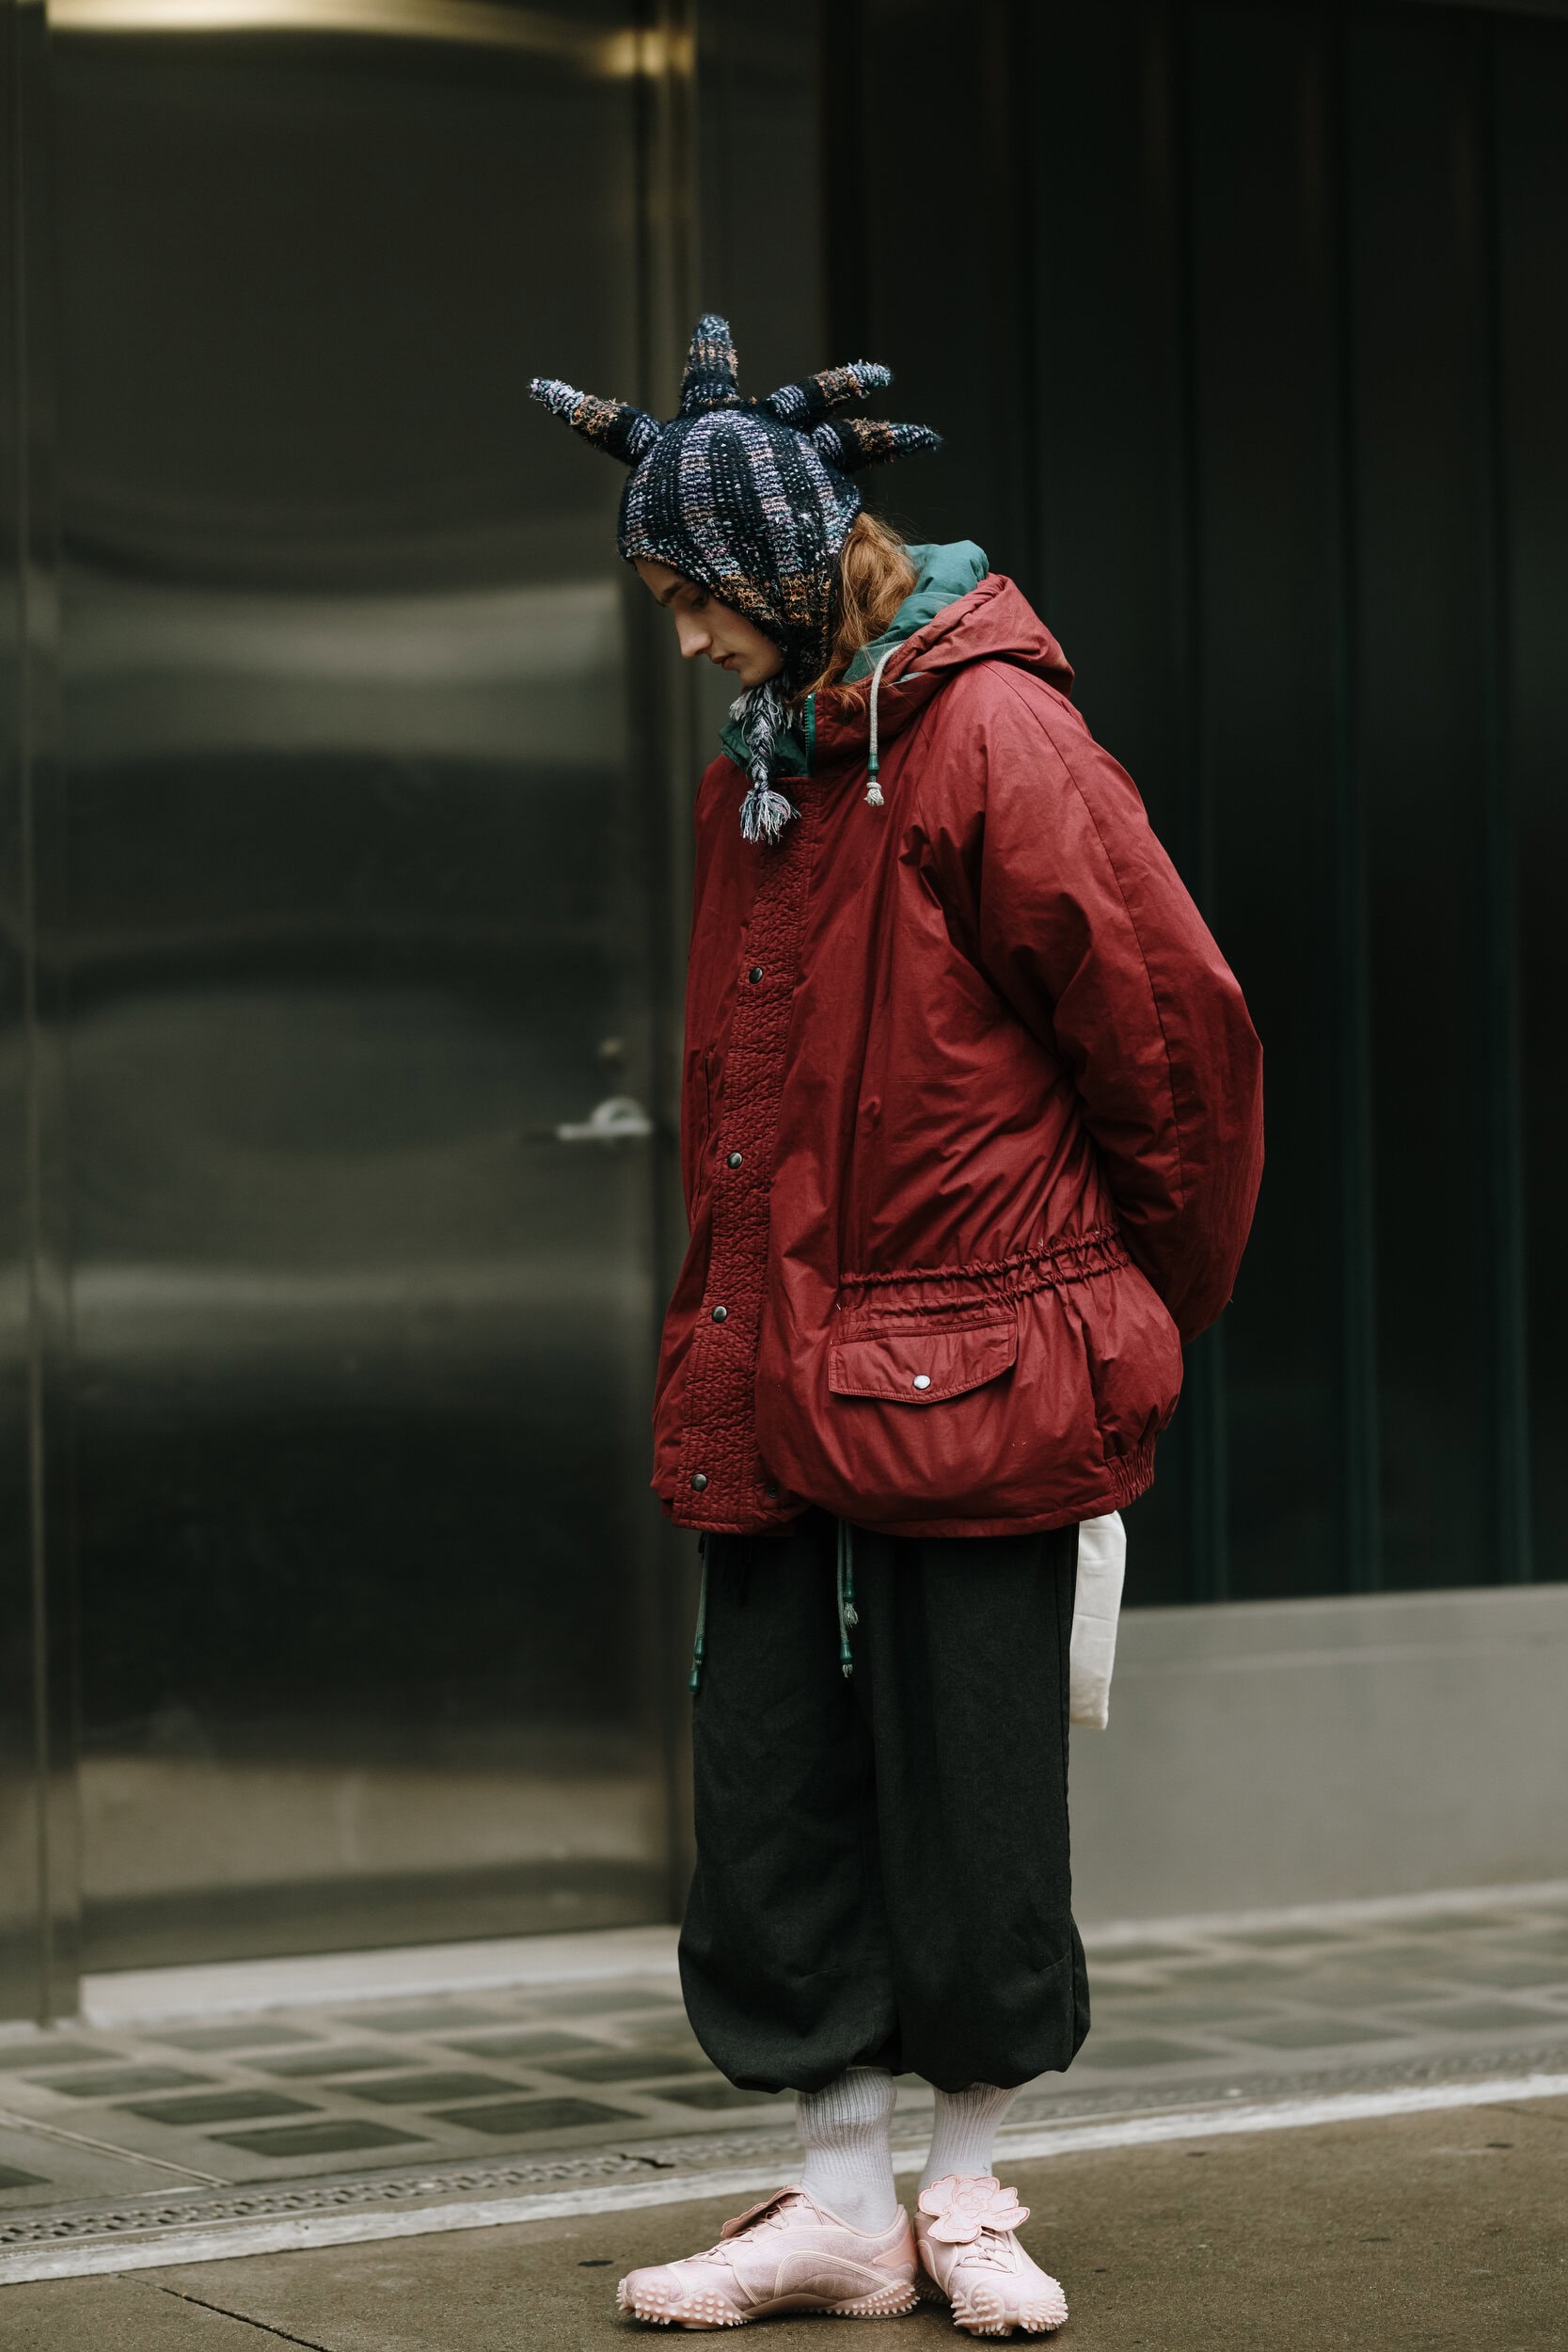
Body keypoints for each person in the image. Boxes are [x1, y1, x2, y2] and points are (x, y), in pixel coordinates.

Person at [530, 318, 1263, 2336]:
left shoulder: (995, 738)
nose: (685, 639)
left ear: (779, 571)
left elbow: (1174, 1043)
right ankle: (841, 2203)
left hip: (982, 1357)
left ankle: (965, 2191)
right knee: (779, 1785)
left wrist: (1130, 1307)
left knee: (975, 1789)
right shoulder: (763, 770)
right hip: (770, 1357)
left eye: (692, 600)